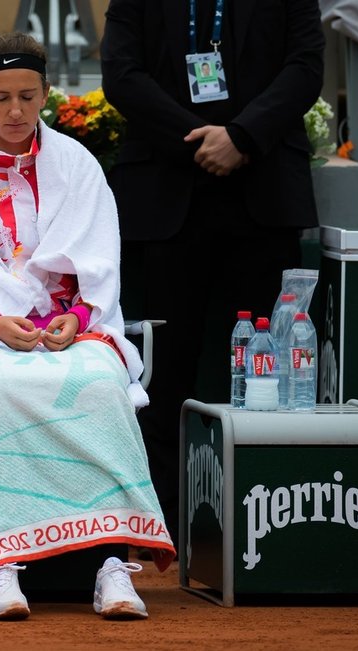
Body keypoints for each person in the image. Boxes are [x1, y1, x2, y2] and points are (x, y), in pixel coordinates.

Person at [0, 31, 176, 621]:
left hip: (73, 333)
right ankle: (1, 568)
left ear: (47, 93)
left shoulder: (78, 166)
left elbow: (99, 264)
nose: (14, 111)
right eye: (1, 96)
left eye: (28, 96)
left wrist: (75, 319)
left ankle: (110, 563)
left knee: (102, 386)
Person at [100, 0, 325, 544]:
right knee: (158, 374)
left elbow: (305, 70)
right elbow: (122, 76)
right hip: (165, 196)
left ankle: (266, 524)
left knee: (268, 371)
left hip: (263, 194)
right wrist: (203, 137)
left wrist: (243, 137)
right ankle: (155, 525)